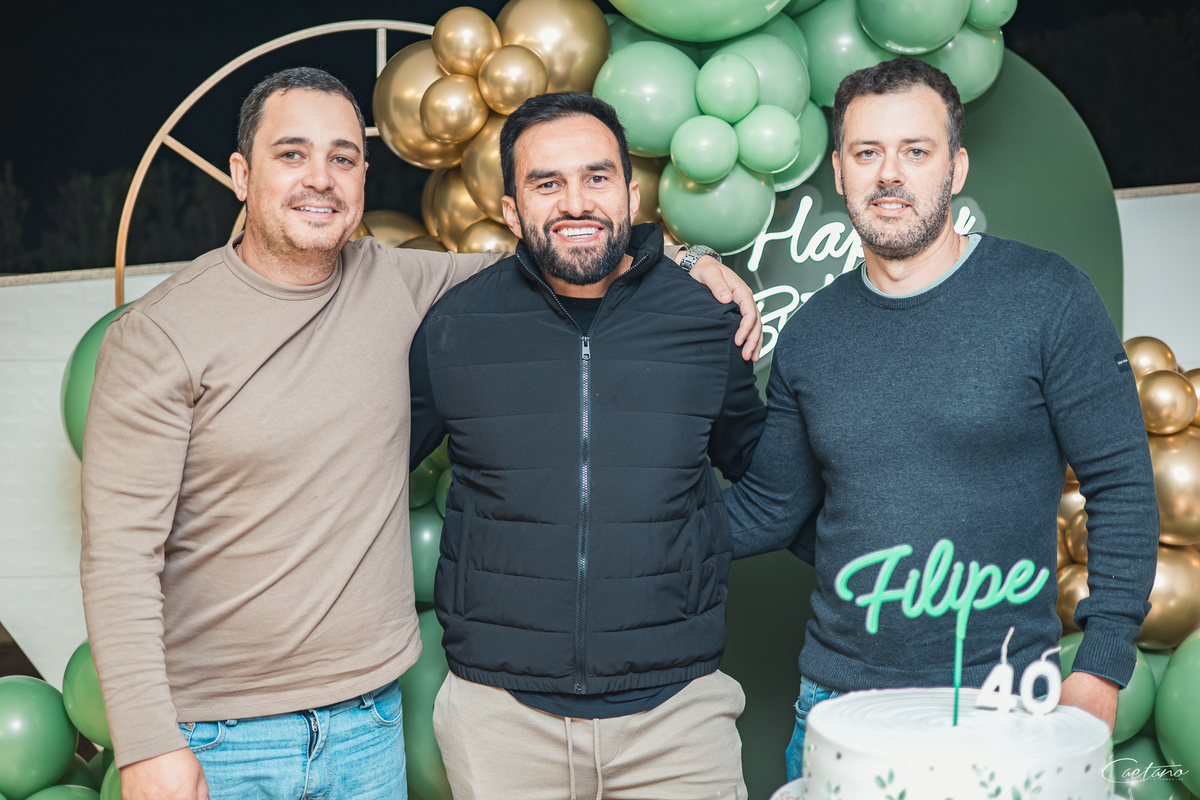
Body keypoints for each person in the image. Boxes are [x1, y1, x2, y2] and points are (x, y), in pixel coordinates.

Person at [79, 68, 762, 800]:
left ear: (363, 177)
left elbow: (570, 252)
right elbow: (118, 558)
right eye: (292, 154)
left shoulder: (402, 284)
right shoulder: (158, 335)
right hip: (220, 734)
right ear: (241, 175)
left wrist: (692, 260)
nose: (320, 179)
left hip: (368, 722)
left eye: (343, 157)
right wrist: (146, 744)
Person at [723, 57, 1159, 783]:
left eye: (916, 151)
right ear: (840, 172)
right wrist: (628, 530)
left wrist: (1103, 666)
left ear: (955, 169)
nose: (889, 174)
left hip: (1006, 706)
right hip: (836, 705)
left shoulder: (1049, 298)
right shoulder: (811, 333)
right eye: (868, 152)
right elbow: (771, 506)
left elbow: (1121, 485)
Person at [408, 91, 766, 800]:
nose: (576, 202)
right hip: (499, 720)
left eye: (597, 177)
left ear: (631, 195)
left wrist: (694, 543)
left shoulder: (703, 319)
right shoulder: (455, 327)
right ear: (511, 210)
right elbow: (366, 471)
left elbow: (759, 463)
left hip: (679, 718)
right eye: (546, 183)